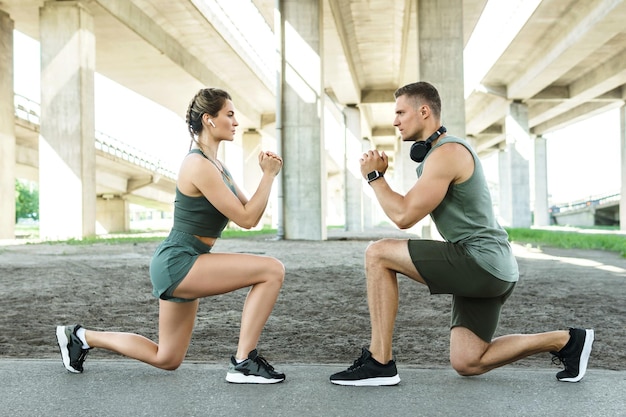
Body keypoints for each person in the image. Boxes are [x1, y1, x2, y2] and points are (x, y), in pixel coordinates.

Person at [329, 81, 594, 386]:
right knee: (469, 360)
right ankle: (567, 341)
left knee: (377, 253)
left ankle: (379, 362)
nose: (395, 121)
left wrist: (374, 177)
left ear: (424, 111)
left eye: (401, 112)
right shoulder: (439, 154)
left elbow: (403, 216)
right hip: (496, 267)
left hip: (480, 260)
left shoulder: (447, 153)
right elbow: (406, 209)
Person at [56, 87, 287, 384]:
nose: (236, 122)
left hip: (186, 260)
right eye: (229, 115)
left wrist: (266, 175)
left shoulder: (217, 167)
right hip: (179, 261)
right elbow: (247, 219)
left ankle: (79, 337)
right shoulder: (197, 165)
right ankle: (244, 361)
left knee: (167, 358)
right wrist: (268, 176)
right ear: (209, 120)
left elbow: (250, 213)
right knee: (271, 270)